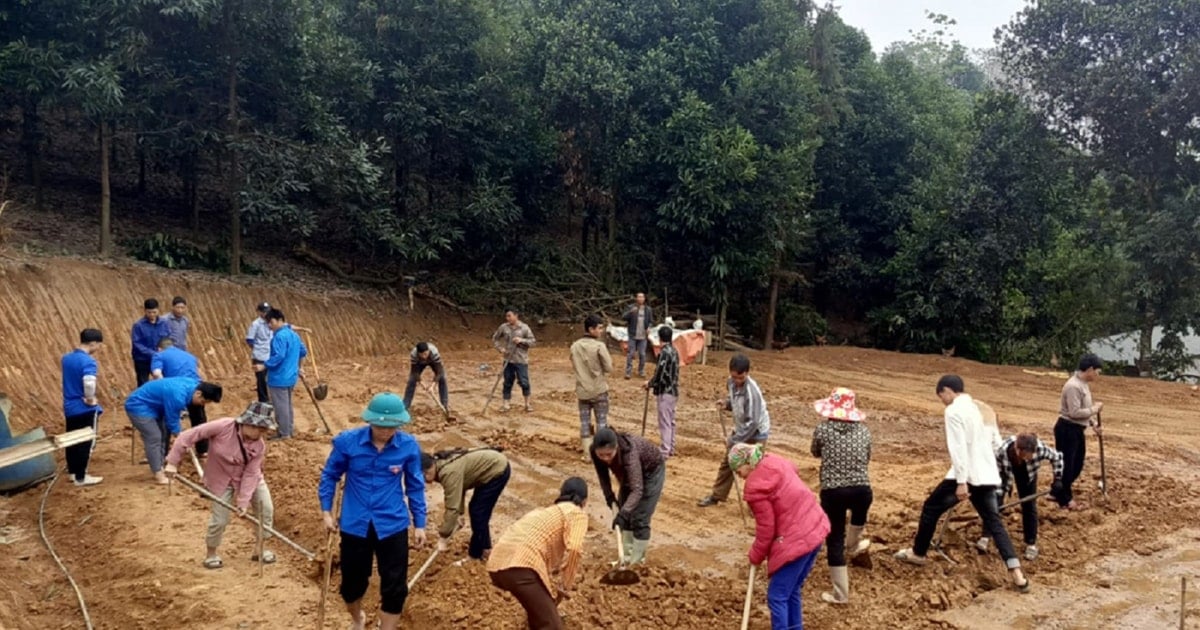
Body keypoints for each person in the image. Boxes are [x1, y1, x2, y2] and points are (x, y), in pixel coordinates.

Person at [893, 375, 1031, 592]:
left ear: (947, 390)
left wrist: (961, 482)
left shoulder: (954, 411)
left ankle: (918, 553)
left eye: (941, 396)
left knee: (930, 508)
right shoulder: (976, 408)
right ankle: (1018, 575)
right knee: (994, 522)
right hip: (987, 475)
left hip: (967, 475)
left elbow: (958, 448)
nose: (942, 401)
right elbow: (993, 443)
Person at [318, 393, 427, 630]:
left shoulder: (408, 446)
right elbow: (330, 476)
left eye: (392, 427)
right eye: (380, 426)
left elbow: (415, 486)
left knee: (395, 587)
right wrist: (326, 512)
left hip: (393, 524)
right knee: (352, 585)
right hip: (355, 524)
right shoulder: (348, 442)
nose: (386, 432)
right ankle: (358, 619)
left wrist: (420, 524)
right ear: (370, 421)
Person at [164, 401, 277, 570]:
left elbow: (251, 473)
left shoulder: (259, 446)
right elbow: (188, 436)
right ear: (248, 423)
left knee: (266, 510)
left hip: (250, 479)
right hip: (221, 479)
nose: (263, 434)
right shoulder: (223, 426)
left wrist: (243, 502)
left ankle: (259, 549)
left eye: (265, 430)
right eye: (260, 429)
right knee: (220, 519)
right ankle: (211, 553)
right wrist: (173, 462)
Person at [732, 443, 829, 630]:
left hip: (798, 539)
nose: (738, 475)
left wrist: (755, 555)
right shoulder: (775, 461)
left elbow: (766, 529)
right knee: (791, 590)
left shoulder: (755, 488)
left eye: (738, 469)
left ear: (748, 463)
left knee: (777, 596)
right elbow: (794, 471)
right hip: (815, 527)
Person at [487, 477, 589, 630]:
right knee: (552, 626)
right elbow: (574, 548)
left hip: (497, 565)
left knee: (538, 618)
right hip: (522, 566)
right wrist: (565, 585)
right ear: (585, 501)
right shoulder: (576, 513)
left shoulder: (542, 512)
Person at [810, 387, 872, 604]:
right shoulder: (864, 431)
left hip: (833, 491)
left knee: (835, 539)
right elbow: (866, 458)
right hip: (862, 490)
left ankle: (841, 594)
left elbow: (815, 452)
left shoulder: (822, 430)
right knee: (858, 517)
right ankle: (854, 544)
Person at [697, 354, 770, 507]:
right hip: (741, 427)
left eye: (740, 378)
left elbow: (753, 422)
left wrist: (734, 441)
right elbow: (736, 401)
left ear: (747, 373)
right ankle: (717, 496)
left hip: (757, 433)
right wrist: (726, 404)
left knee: (754, 467)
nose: (737, 381)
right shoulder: (730, 383)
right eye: (734, 377)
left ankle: (758, 505)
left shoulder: (752, 392)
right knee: (728, 462)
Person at [976, 433, 1064, 561]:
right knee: (995, 504)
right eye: (1025, 457)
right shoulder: (1002, 452)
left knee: (1029, 507)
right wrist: (998, 493)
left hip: (1028, 476)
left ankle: (1031, 544)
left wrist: (1058, 478)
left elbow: (1057, 457)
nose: (1028, 459)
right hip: (1005, 474)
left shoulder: (1039, 449)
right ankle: (985, 536)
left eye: (1031, 456)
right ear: (1018, 450)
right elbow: (996, 474)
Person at [124, 377, 223, 484]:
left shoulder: (193, 385)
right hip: (139, 406)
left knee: (162, 435)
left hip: (155, 406)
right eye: (203, 401)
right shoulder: (178, 397)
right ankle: (159, 474)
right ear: (198, 393)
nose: (201, 404)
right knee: (154, 437)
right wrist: (183, 439)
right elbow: (172, 422)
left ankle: (160, 464)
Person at [421, 447, 511, 563]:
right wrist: (460, 515)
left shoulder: (448, 472)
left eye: (422, 477)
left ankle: (475, 555)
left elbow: (452, 507)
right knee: (478, 512)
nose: (424, 481)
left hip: (497, 470)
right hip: (490, 467)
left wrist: (443, 536)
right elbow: (459, 489)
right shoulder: (441, 466)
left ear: (425, 471)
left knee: (478, 513)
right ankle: (485, 548)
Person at [591, 427, 664, 565]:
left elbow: (637, 489)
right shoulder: (595, 452)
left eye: (609, 454)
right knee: (626, 513)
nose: (606, 459)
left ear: (616, 447)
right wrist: (609, 497)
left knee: (640, 518)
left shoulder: (628, 452)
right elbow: (603, 476)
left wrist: (623, 514)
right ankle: (625, 559)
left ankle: (636, 564)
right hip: (627, 473)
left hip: (651, 472)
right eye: (601, 455)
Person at [1054, 354, 1104, 511]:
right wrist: (1094, 409)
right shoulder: (1073, 386)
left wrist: (1093, 423)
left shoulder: (1083, 384)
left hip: (1077, 429)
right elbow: (1074, 412)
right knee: (1068, 466)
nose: (1098, 375)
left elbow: (1083, 410)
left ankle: (1057, 490)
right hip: (1067, 429)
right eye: (1097, 371)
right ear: (1089, 369)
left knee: (1077, 465)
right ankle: (1064, 500)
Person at [61, 328, 105, 487]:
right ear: (93, 343)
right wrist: (90, 398)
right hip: (83, 408)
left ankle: (73, 473)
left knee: (72, 440)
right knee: (86, 442)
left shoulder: (66, 358)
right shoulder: (88, 361)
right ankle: (81, 476)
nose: (99, 348)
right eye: (98, 345)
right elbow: (89, 381)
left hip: (69, 406)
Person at [151, 338, 210, 455]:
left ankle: (162, 453)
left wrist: (163, 388)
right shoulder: (189, 355)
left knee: (167, 418)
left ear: (159, 348)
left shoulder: (159, 355)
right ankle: (203, 449)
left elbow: (157, 373)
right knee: (199, 418)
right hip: (195, 388)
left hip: (176, 390)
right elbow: (199, 373)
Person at [256, 308, 307, 439]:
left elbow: (279, 356)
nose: (269, 325)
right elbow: (303, 351)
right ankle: (288, 429)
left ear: (279, 320)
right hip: (291, 377)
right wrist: (300, 368)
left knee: (280, 407)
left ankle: (284, 433)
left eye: (271, 322)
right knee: (287, 405)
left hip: (279, 377)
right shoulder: (294, 335)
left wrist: (264, 365)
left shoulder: (279, 336)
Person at [570, 314, 612, 457]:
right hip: (598, 389)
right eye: (599, 328)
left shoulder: (575, 346)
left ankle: (587, 454)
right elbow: (608, 368)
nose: (601, 331)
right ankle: (600, 453)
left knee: (585, 422)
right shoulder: (600, 346)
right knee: (601, 421)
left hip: (582, 390)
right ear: (591, 329)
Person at [644, 325, 679, 457]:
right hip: (674, 390)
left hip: (665, 391)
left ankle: (665, 449)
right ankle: (671, 447)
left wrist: (650, 383)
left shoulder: (664, 353)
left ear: (660, 338)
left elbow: (660, 373)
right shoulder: (675, 351)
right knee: (670, 420)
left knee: (664, 420)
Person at [491, 308, 536, 413]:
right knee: (507, 381)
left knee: (524, 382)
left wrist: (522, 340)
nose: (508, 318)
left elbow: (533, 342)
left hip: (521, 360)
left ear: (516, 315)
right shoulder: (504, 327)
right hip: (508, 360)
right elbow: (495, 338)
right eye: (507, 316)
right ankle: (506, 404)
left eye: (509, 316)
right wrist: (500, 349)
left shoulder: (524, 328)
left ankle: (527, 404)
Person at [131, 298, 170, 386]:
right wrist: (152, 353)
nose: (152, 314)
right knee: (143, 383)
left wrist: (164, 350)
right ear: (145, 311)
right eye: (149, 312)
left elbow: (167, 338)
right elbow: (137, 343)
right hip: (142, 360)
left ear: (158, 310)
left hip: (159, 359)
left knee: (163, 381)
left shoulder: (164, 323)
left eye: (154, 312)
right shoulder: (138, 325)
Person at [403, 341, 449, 414]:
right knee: (411, 380)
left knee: (442, 378)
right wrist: (422, 383)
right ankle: (405, 405)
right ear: (418, 353)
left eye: (426, 354)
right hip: (419, 363)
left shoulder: (434, 352)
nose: (424, 356)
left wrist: (432, 386)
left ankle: (444, 405)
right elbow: (415, 372)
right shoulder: (414, 354)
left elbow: (439, 371)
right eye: (422, 354)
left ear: (428, 351)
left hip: (433, 361)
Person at [246, 302, 273, 403]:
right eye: (264, 311)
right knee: (261, 379)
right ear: (259, 312)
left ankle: (270, 397)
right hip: (260, 356)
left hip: (270, 354)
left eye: (268, 311)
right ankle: (263, 400)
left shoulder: (271, 322)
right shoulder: (255, 324)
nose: (266, 313)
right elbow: (249, 339)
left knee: (270, 377)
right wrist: (257, 349)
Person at [622, 292, 654, 379]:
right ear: (636, 298)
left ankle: (641, 371)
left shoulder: (648, 309)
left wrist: (649, 328)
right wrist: (630, 312)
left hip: (643, 336)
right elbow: (623, 317)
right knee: (630, 353)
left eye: (642, 297)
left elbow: (651, 321)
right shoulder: (631, 307)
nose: (640, 298)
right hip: (632, 334)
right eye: (639, 297)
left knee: (642, 354)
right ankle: (628, 372)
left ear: (644, 299)